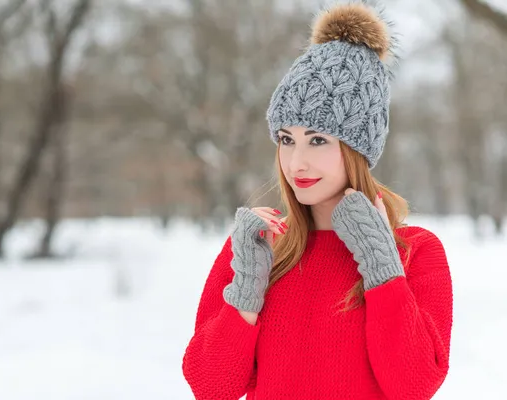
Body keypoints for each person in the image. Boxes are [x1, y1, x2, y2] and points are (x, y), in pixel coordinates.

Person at [181, 2, 454, 399]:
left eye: (318, 140)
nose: (297, 161)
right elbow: (210, 386)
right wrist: (247, 288)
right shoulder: (260, 245)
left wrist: (380, 263)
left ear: (358, 149)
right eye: (286, 139)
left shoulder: (416, 252)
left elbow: (413, 386)